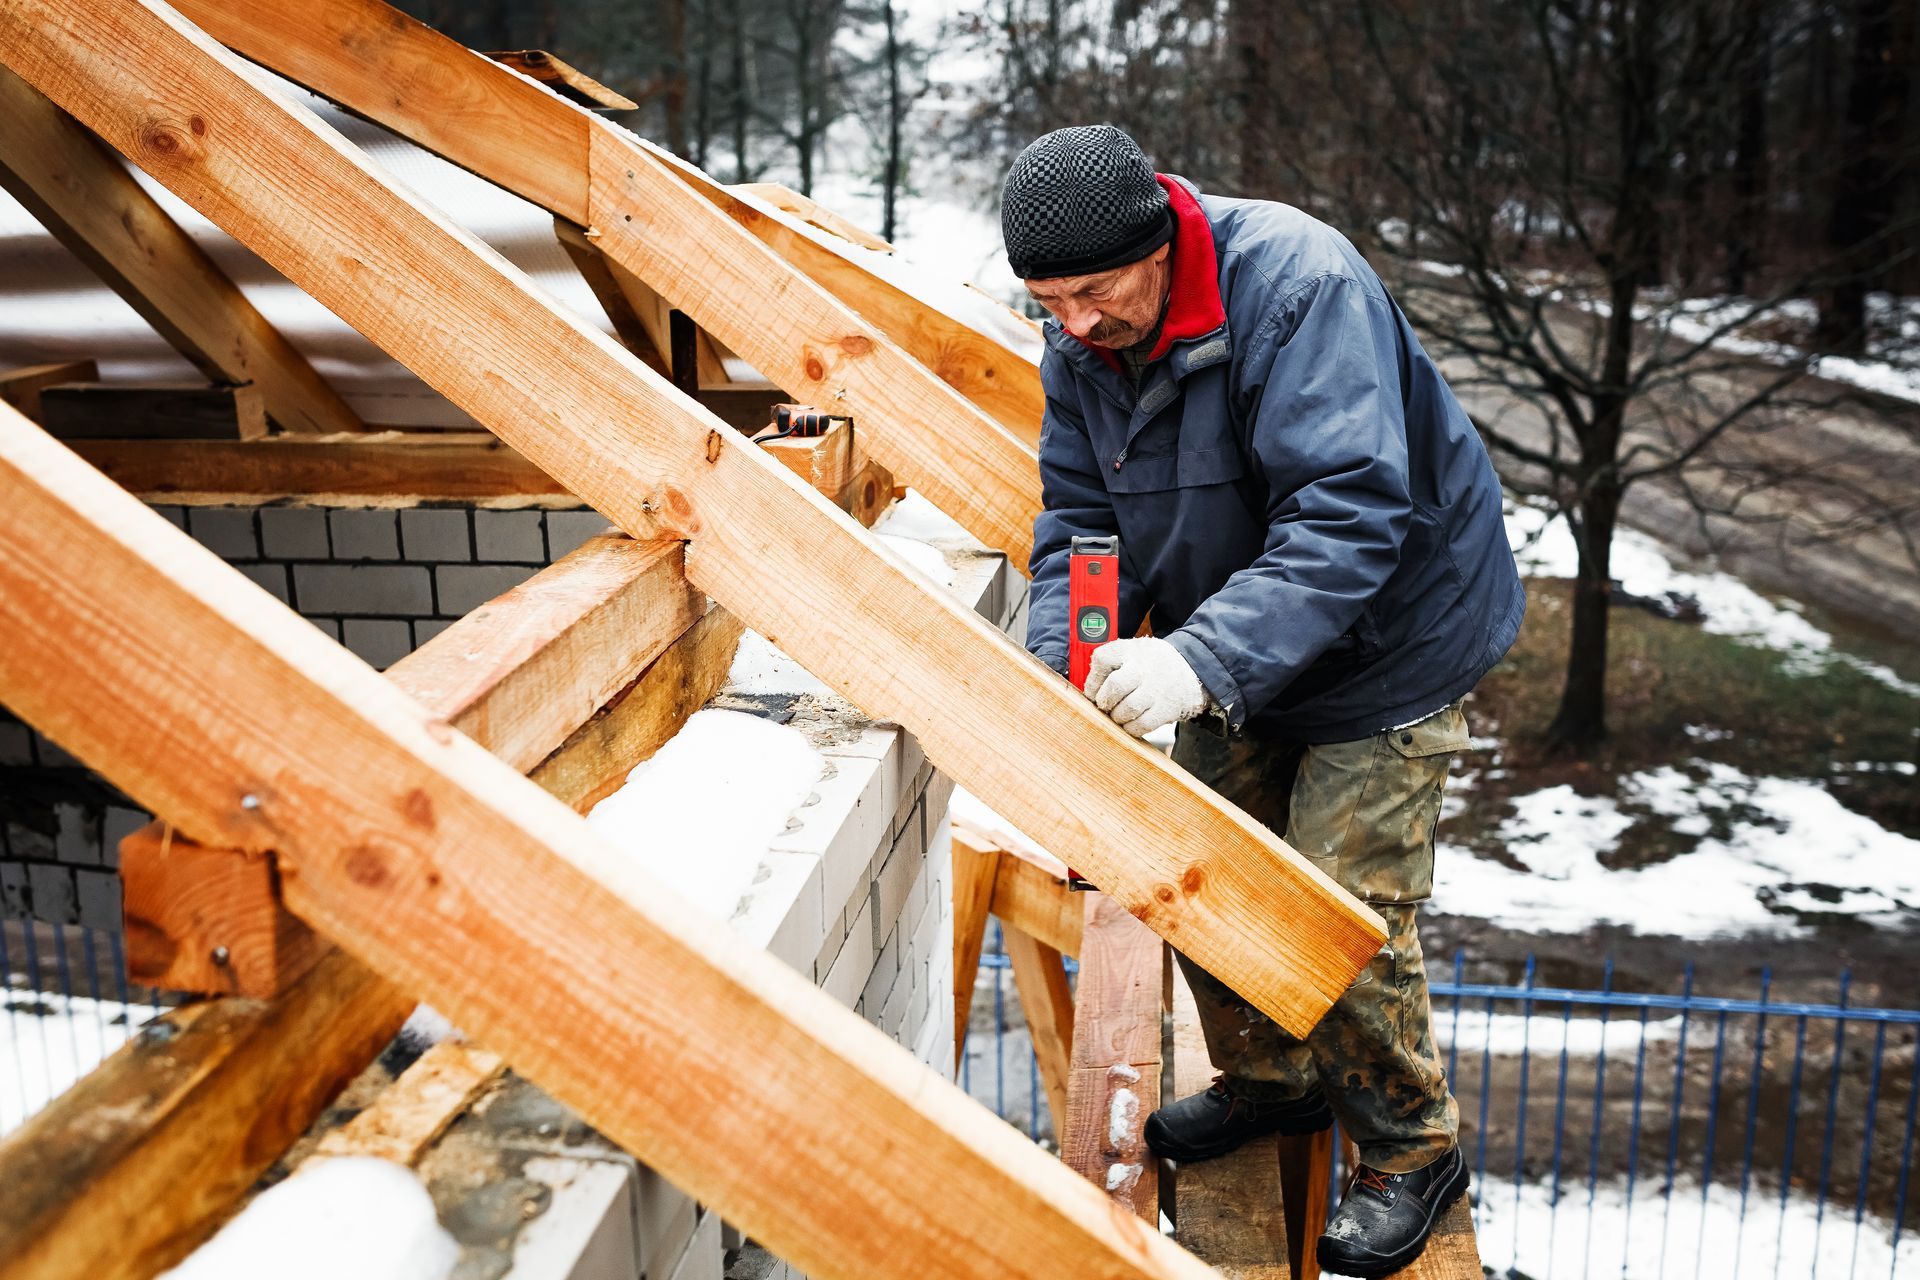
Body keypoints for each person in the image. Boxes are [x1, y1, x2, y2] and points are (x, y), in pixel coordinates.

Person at [1002, 123, 1525, 1277]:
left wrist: (1198, 662)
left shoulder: (1296, 284)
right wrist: (1072, 661)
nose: (1076, 324)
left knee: (1337, 899)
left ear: (1160, 246)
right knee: (1205, 856)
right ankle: (1276, 1078)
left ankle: (1409, 1149)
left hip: (1394, 630)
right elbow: (1082, 520)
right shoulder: (1078, 344)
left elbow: (1349, 516)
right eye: (1049, 303)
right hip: (1241, 626)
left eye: (1093, 292)